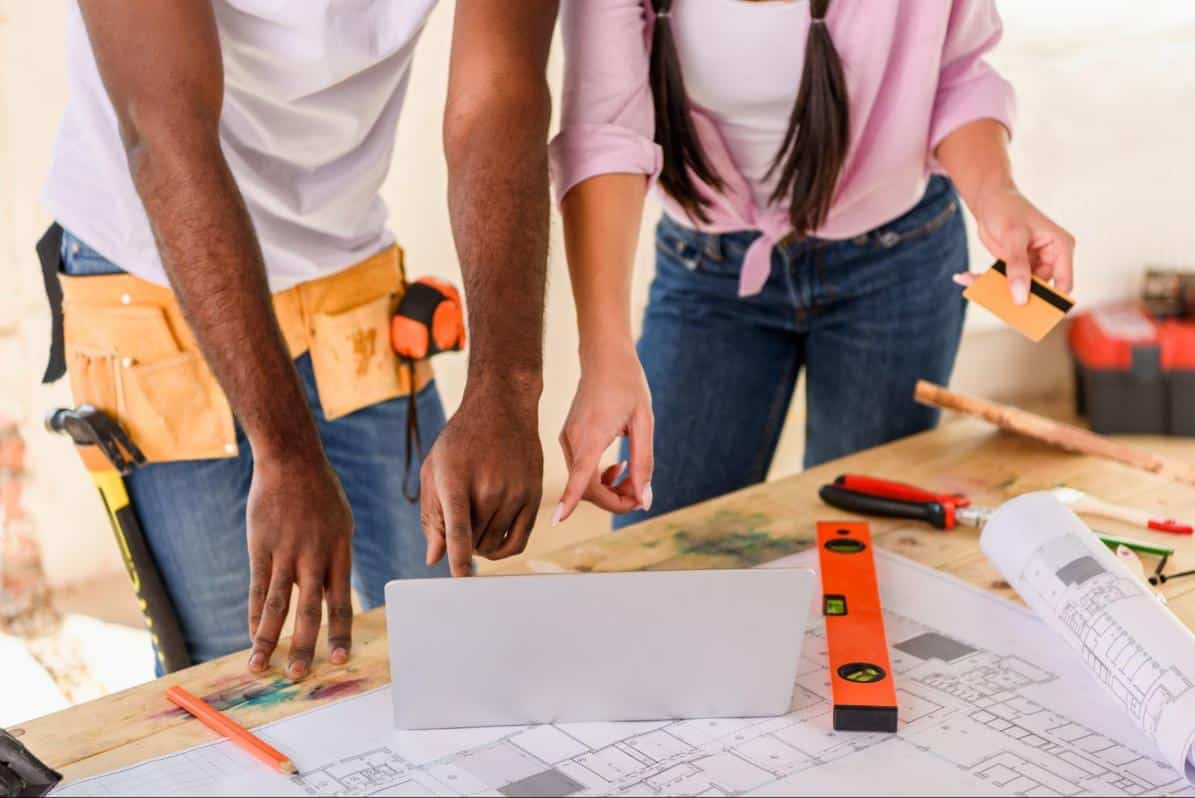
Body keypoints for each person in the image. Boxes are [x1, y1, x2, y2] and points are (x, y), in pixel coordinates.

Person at [42, 0, 558, 676]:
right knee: (235, 666)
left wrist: (509, 387)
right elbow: (164, 133)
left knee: (436, 622)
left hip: (344, 259)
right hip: (151, 265)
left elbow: (500, 94)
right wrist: (284, 452)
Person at [549, 0, 1076, 529]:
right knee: (658, 541)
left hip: (896, 263)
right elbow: (604, 134)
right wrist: (605, 351)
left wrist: (997, 195)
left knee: (859, 538)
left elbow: (956, 75)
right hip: (706, 271)